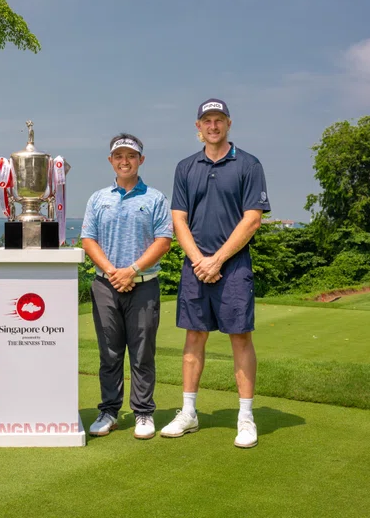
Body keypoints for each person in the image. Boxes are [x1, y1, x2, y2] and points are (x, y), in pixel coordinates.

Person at [160, 98, 270, 448]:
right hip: (196, 267)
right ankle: (189, 412)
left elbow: (252, 219)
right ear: (198, 127)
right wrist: (199, 260)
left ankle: (245, 417)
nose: (212, 126)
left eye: (218, 120)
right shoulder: (185, 167)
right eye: (206, 120)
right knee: (194, 337)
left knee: (240, 338)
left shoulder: (249, 165)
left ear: (228, 124)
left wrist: (217, 260)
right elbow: (179, 219)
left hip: (233, 267)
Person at [81, 134, 173, 440]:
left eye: (130, 156)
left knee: (142, 351)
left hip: (143, 284)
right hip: (106, 284)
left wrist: (132, 270)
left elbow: (164, 241)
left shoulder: (155, 198)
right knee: (109, 352)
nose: (124, 161)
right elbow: (88, 239)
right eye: (118, 156)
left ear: (141, 160)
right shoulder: (98, 198)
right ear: (111, 161)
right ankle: (109, 410)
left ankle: (143, 412)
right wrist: (111, 271)